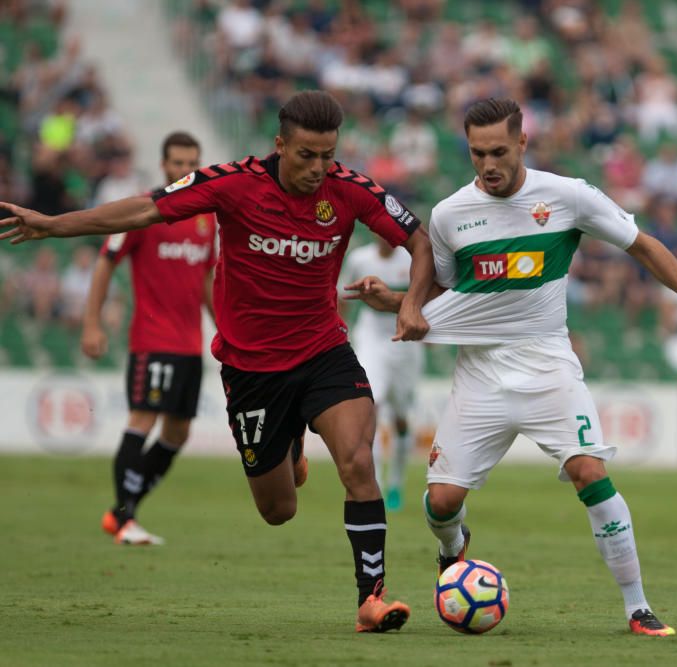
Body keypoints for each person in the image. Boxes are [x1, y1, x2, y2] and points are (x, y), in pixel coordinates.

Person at [0, 90, 435, 633]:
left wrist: (412, 301)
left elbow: (420, 241)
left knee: (357, 462)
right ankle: (291, 439)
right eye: (306, 155)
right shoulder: (233, 183)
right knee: (278, 510)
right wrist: (55, 224)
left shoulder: (349, 190)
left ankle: (371, 599)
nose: (318, 168)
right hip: (252, 370)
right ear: (280, 145)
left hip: (324, 350)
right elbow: (145, 207)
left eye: (327, 155)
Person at [346, 98, 677, 637]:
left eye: (497, 151)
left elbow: (644, 246)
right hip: (481, 372)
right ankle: (453, 551)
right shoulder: (449, 216)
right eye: (476, 153)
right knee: (441, 504)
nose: (487, 164)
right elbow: (446, 293)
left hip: (547, 363)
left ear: (521, 144)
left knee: (590, 471)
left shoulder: (567, 196)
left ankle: (637, 606)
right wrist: (398, 301)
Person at [82, 131, 217, 546]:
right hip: (152, 340)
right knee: (142, 421)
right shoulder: (143, 211)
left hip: (190, 345)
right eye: (176, 163)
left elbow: (207, 278)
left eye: (190, 164)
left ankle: (122, 511)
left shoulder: (206, 218)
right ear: (163, 166)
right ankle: (125, 519)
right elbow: (106, 262)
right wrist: (93, 322)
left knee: (177, 434)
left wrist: (225, 332)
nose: (182, 171)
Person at [339, 235, 424, 512]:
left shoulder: (411, 260)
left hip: (405, 344)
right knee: (371, 406)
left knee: (400, 420)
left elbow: (425, 297)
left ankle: (396, 483)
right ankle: (372, 484)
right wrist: (340, 335)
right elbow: (343, 299)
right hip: (372, 341)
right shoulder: (360, 260)